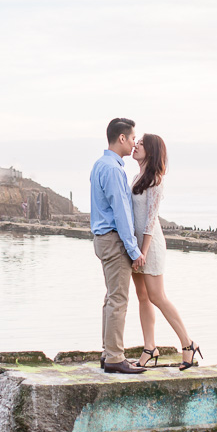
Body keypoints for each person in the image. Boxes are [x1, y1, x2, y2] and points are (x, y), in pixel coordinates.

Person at [130, 133, 202, 371]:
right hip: (137, 247)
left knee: (157, 296)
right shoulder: (136, 177)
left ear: (150, 151)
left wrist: (143, 251)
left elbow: (150, 221)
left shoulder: (155, 181)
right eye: (136, 141)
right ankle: (149, 348)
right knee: (142, 296)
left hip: (150, 246)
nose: (136, 145)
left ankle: (188, 343)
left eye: (140, 143)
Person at [89, 118, 146, 375]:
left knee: (111, 297)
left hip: (103, 239)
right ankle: (114, 356)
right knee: (119, 299)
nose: (134, 142)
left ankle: (108, 352)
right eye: (133, 138)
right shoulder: (113, 169)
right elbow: (122, 213)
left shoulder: (100, 165)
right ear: (121, 138)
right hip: (113, 239)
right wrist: (134, 250)